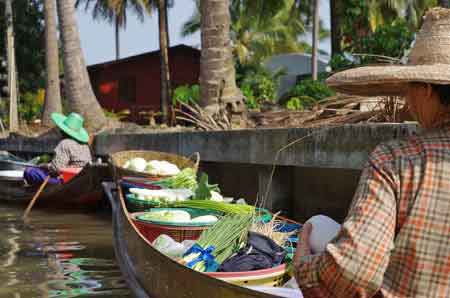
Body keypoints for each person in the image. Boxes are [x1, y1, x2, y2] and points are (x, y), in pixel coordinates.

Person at [294, 8, 450, 298]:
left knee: (316, 226)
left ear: (427, 89)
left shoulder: (398, 160)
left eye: (409, 89)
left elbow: (353, 272)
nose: (407, 101)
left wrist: (304, 265)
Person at [23, 112, 92, 185]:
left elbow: (56, 169)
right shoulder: (85, 145)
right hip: (82, 177)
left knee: (29, 171)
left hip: (67, 179)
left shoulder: (65, 143)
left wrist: (45, 166)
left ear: (63, 131)